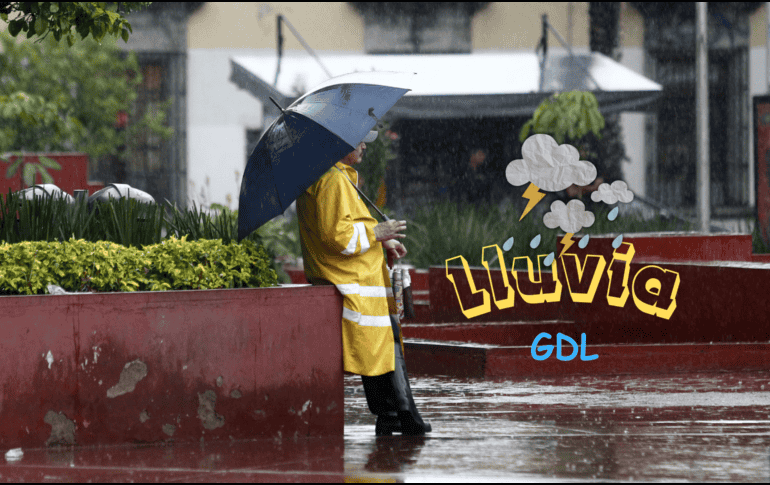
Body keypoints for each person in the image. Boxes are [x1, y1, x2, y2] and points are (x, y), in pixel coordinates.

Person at [295, 130, 432, 436]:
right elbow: (337, 236)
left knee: (381, 347)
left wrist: (380, 242)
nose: (365, 145)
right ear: (340, 143)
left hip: (357, 276)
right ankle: (402, 414)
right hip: (352, 279)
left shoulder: (336, 177)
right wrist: (376, 233)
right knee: (385, 344)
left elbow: (345, 227)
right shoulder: (332, 180)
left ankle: (395, 415)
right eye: (359, 139)